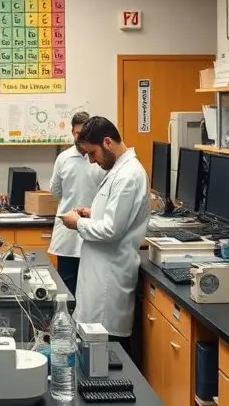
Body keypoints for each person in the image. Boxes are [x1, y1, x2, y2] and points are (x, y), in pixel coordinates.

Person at [60, 116, 150, 351]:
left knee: (107, 357)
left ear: (107, 142)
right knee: (94, 352)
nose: (91, 160)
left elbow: (111, 230)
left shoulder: (128, 175)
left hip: (109, 284)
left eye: (92, 153)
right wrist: (91, 215)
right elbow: (115, 218)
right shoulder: (119, 170)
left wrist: (77, 223)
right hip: (100, 276)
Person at [47, 112, 105, 295]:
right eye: (78, 132)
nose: (81, 136)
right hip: (67, 235)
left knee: (91, 288)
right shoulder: (63, 159)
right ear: (72, 132)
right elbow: (55, 190)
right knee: (67, 288)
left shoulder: (100, 158)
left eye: (85, 132)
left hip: (94, 230)